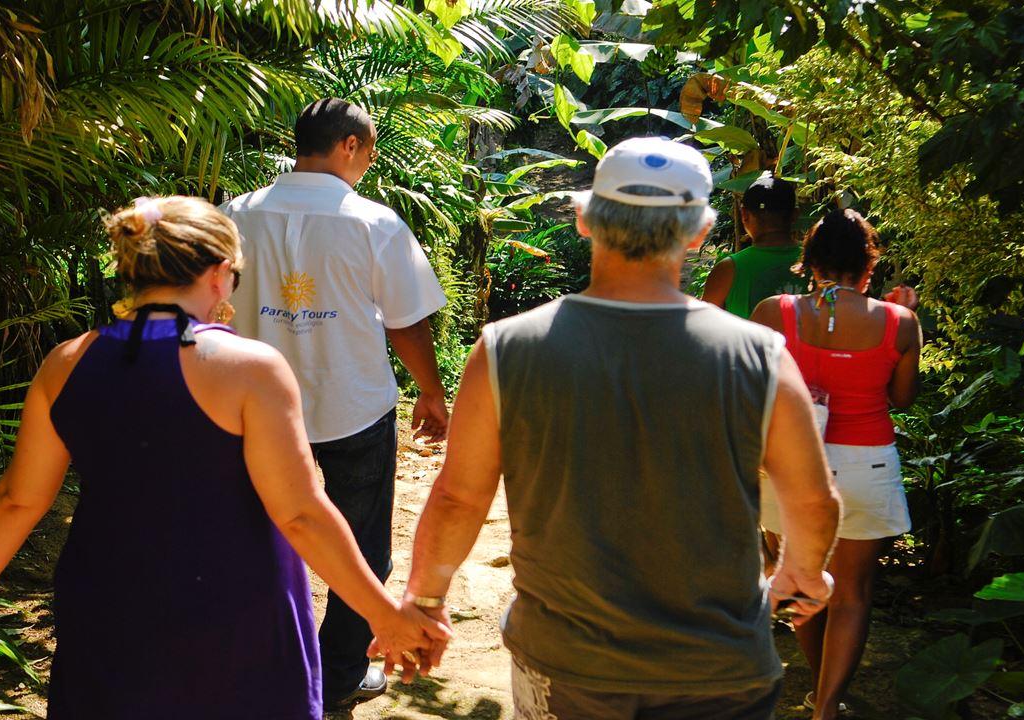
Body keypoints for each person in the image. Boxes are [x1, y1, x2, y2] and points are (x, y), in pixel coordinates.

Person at [374, 137, 843, 720]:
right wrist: (802, 572)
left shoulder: (507, 350)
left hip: (567, 668)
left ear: (583, 219)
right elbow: (814, 499)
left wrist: (424, 600)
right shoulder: (759, 356)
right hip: (720, 672)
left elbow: (457, 498)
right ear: (700, 232)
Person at [0, 196, 449, 720]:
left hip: (105, 600)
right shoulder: (250, 368)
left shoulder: (65, 363)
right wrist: (383, 614)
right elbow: (299, 513)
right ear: (220, 273)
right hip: (233, 608)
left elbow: (17, 498)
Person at [220, 98, 450, 712]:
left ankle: (260, 662)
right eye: (369, 150)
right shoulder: (374, 223)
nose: (368, 162)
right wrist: (431, 391)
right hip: (353, 406)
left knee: (253, 537)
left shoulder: (233, 216)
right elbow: (405, 321)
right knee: (362, 543)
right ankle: (342, 673)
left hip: (253, 414)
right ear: (349, 145)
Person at [751, 209, 922, 719]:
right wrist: (903, 321)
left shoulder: (773, 312)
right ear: (868, 265)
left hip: (791, 467)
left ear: (809, 260)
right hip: (867, 465)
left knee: (797, 577)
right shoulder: (900, 322)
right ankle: (828, 707)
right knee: (853, 594)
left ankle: (815, 686)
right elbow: (903, 398)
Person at [701, 172, 806, 317]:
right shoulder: (817, 262)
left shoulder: (728, 270)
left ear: (744, 215)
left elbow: (704, 324)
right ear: (795, 215)